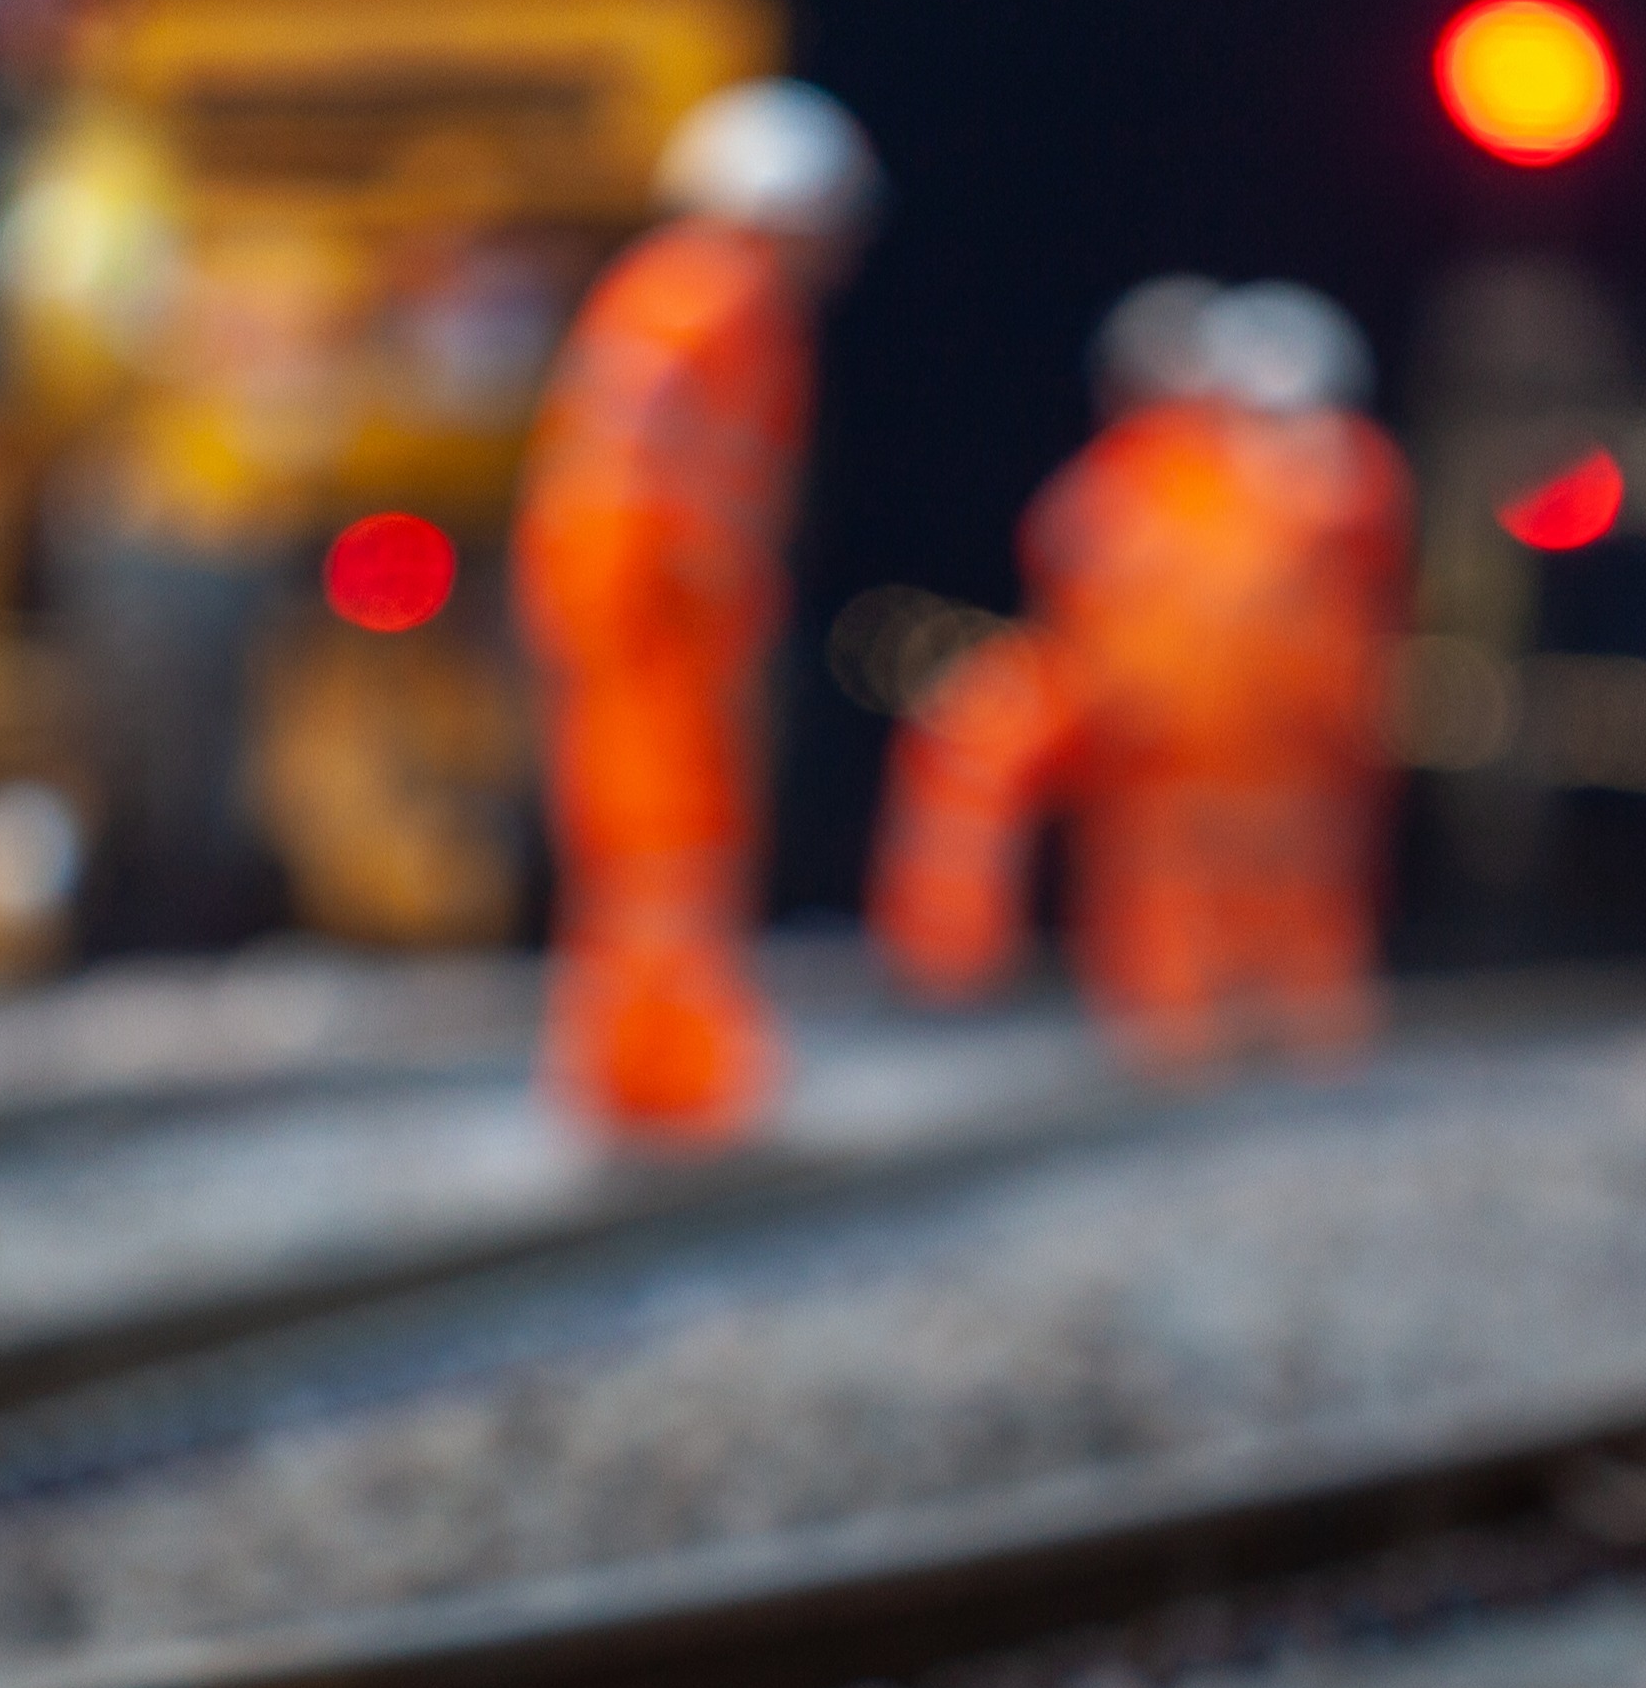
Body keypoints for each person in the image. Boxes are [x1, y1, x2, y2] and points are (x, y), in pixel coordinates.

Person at [875, 281, 1408, 1076]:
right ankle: (965, 968)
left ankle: (1270, 1032)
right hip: (1171, 731)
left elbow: (1070, 552)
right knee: (1181, 900)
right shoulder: (1166, 473)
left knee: (1269, 901)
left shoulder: (1309, 473)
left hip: (1259, 737)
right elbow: (1071, 560)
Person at [510, 80, 872, 1147]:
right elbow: (660, 477)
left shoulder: (679, 292)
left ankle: (642, 1070)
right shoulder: (710, 297)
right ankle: (670, 1076)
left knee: (645, 852)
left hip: (641, 615)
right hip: (652, 623)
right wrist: (696, 600)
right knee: (668, 846)